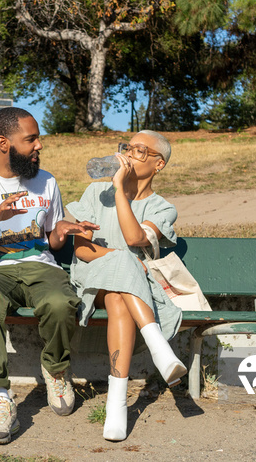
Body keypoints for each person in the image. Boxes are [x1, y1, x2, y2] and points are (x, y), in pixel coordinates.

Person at [0, 107, 98, 445]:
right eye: (30, 139)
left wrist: (64, 231)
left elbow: (52, 241)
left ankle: (56, 370)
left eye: (38, 138)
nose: (39, 145)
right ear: (3, 143)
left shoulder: (47, 181)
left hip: (42, 267)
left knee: (60, 302)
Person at [66, 130, 187, 441]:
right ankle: (161, 351)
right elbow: (81, 250)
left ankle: (116, 404)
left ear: (158, 164)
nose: (131, 154)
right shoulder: (96, 193)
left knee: (120, 296)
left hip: (133, 291)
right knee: (125, 261)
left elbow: (135, 237)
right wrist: (116, 188)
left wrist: (120, 191)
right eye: (128, 148)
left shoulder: (163, 208)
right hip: (91, 279)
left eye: (140, 150)